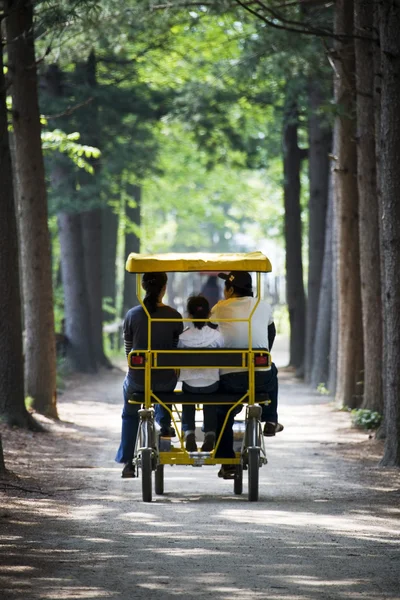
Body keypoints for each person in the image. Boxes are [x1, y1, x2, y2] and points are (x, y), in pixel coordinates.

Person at [210, 271, 283, 479]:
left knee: (224, 413)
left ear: (231, 289)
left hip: (230, 379)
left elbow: (209, 335)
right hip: (260, 377)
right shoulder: (263, 305)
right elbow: (271, 334)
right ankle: (270, 418)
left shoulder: (219, 308)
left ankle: (226, 461)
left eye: (226, 287)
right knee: (273, 368)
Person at [115, 272, 183, 478]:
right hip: (164, 381)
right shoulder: (174, 315)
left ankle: (127, 461)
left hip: (138, 380)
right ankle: (164, 425)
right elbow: (175, 348)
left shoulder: (132, 315)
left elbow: (129, 350)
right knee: (166, 381)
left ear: (144, 287)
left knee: (129, 412)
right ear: (164, 288)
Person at [178, 295, 224, 452]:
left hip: (189, 384)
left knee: (187, 396)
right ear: (209, 315)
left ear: (189, 315)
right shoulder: (217, 336)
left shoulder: (182, 337)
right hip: (211, 383)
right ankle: (210, 433)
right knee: (210, 399)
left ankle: (189, 431)